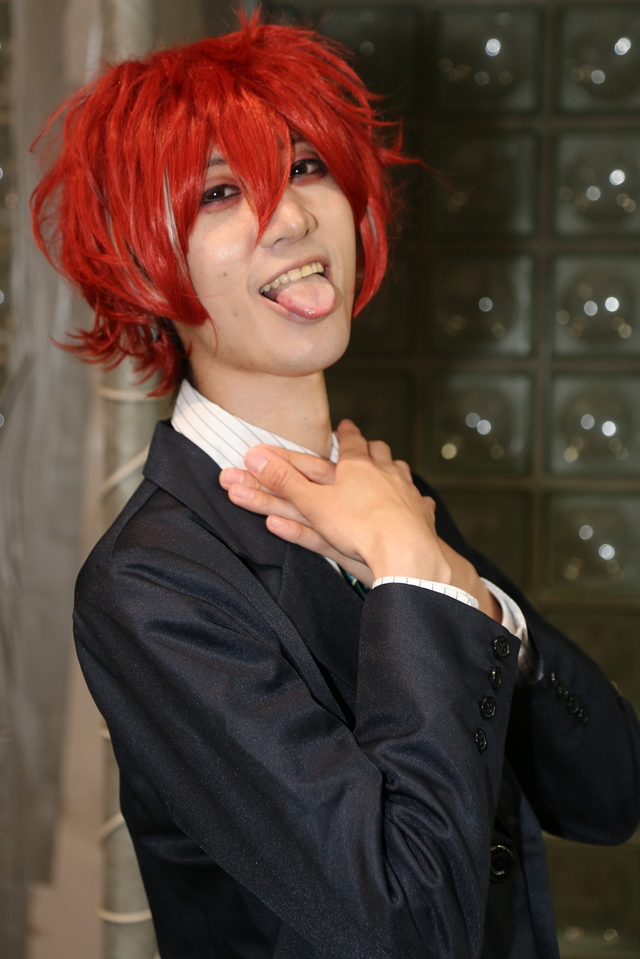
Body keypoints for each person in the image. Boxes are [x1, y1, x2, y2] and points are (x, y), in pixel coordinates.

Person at [32, 13, 640, 959]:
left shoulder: (386, 493)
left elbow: (609, 794)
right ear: (147, 257)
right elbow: (405, 923)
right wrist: (408, 566)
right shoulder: (150, 583)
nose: (290, 216)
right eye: (222, 191)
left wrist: (468, 596)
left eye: (307, 167)